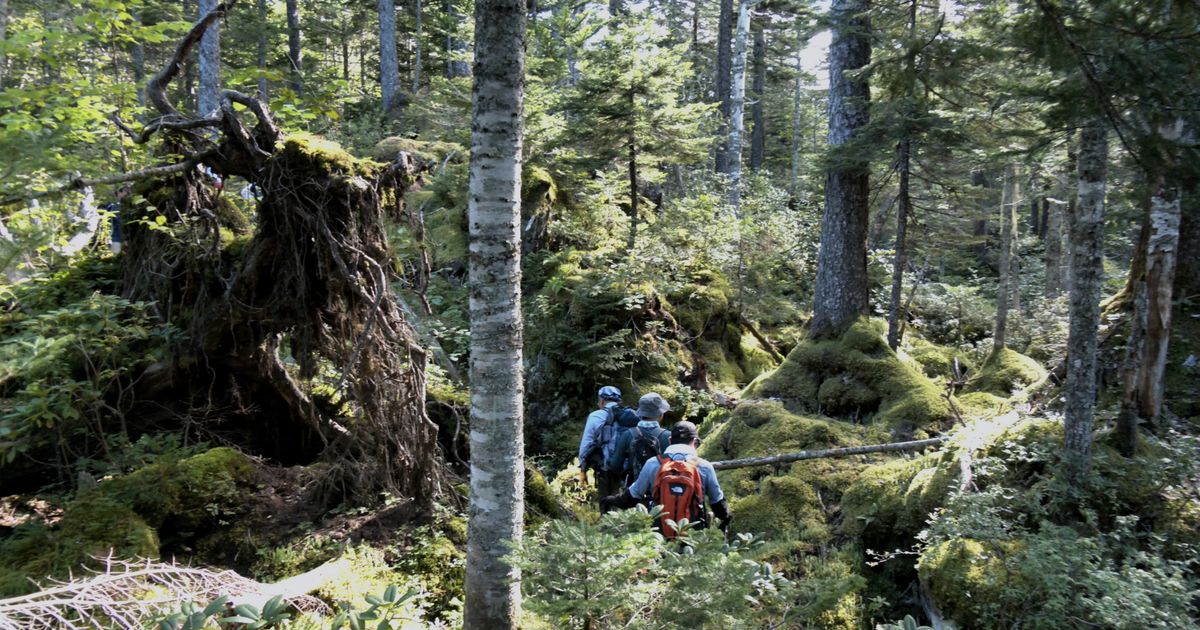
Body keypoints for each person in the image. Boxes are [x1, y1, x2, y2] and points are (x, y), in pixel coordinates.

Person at [601, 421, 731, 537]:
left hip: (659, 533)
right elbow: (717, 503)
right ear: (695, 442)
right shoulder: (704, 466)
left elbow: (632, 497)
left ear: (670, 440)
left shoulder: (653, 463)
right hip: (693, 534)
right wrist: (727, 518)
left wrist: (609, 500)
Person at [606, 392, 671, 487]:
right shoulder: (668, 436)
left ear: (640, 414)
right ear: (660, 415)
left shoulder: (628, 434)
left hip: (634, 488)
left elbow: (615, 465)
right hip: (660, 489)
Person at [577, 385, 625, 503]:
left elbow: (586, 442)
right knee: (620, 498)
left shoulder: (595, 416)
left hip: (604, 465)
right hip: (624, 466)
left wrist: (583, 467)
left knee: (605, 499)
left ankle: (607, 514)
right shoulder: (627, 415)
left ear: (602, 400)